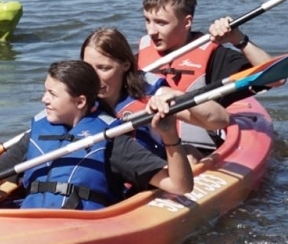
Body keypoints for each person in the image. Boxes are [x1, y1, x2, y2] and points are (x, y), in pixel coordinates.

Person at [0, 60, 192, 209]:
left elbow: (179, 185)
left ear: (80, 102)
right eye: (45, 91)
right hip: (29, 222)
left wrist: (170, 136)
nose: (44, 100)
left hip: (78, 226)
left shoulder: (112, 140)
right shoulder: (36, 134)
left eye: (52, 94)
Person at [135, 0, 274, 134]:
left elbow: (274, 78)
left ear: (187, 22)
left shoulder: (215, 57)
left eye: (161, 23)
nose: (151, 31)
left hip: (196, 149)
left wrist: (238, 39)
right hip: (146, 145)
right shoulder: (141, 55)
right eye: (147, 20)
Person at [79, 26, 229, 158]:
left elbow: (220, 120)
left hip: (152, 174)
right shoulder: (77, 97)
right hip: (109, 179)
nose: (94, 77)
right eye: (88, 68)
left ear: (125, 65)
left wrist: (178, 96)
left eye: (104, 68)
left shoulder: (151, 93)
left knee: (188, 154)